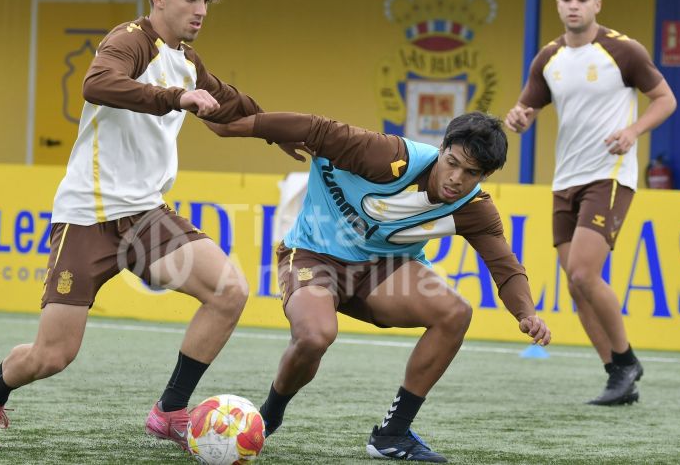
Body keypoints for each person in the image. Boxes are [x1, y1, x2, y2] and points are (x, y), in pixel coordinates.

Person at [0, 0, 304, 450]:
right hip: (89, 217)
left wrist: (283, 132)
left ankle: (170, 411)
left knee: (229, 291)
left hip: (146, 216)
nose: (201, 10)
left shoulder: (187, 61)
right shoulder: (129, 40)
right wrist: (175, 98)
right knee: (53, 355)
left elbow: (230, 106)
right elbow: (97, 84)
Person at [202, 110, 551, 462]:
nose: (456, 179)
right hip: (314, 255)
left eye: (471, 173)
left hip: (383, 270)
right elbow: (315, 128)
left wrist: (526, 313)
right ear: (442, 148)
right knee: (315, 336)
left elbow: (506, 267)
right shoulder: (389, 156)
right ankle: (269, 416)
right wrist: (239, 126)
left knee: (455, 313)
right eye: (452, 163)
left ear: (485, 176)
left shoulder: (474, 209)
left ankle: (392, 434)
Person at [504, 0, 676, 406]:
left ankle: (627, 360)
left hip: (610, 174)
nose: (574, 6)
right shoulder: (548, 58)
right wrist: (518, 119)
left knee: (584, 272)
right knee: (575, 285)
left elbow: (666, 99)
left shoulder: (623, 51)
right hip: (565, 179)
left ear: (597, 4)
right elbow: (525, 111)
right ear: (558, 4)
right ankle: (617, 375)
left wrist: (633, 131)